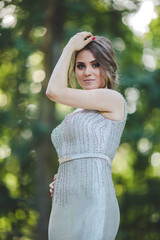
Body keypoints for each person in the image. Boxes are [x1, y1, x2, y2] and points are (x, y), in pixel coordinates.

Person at [46, 31, 128, 240]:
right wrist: (66, 176)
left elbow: (53, 91)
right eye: (80, 66)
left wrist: (68, 48)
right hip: (65, 202)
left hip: (94, 198)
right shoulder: (77, 112)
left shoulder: (113, 99)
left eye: (95, 64)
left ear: (107, 67)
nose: (87, 72)